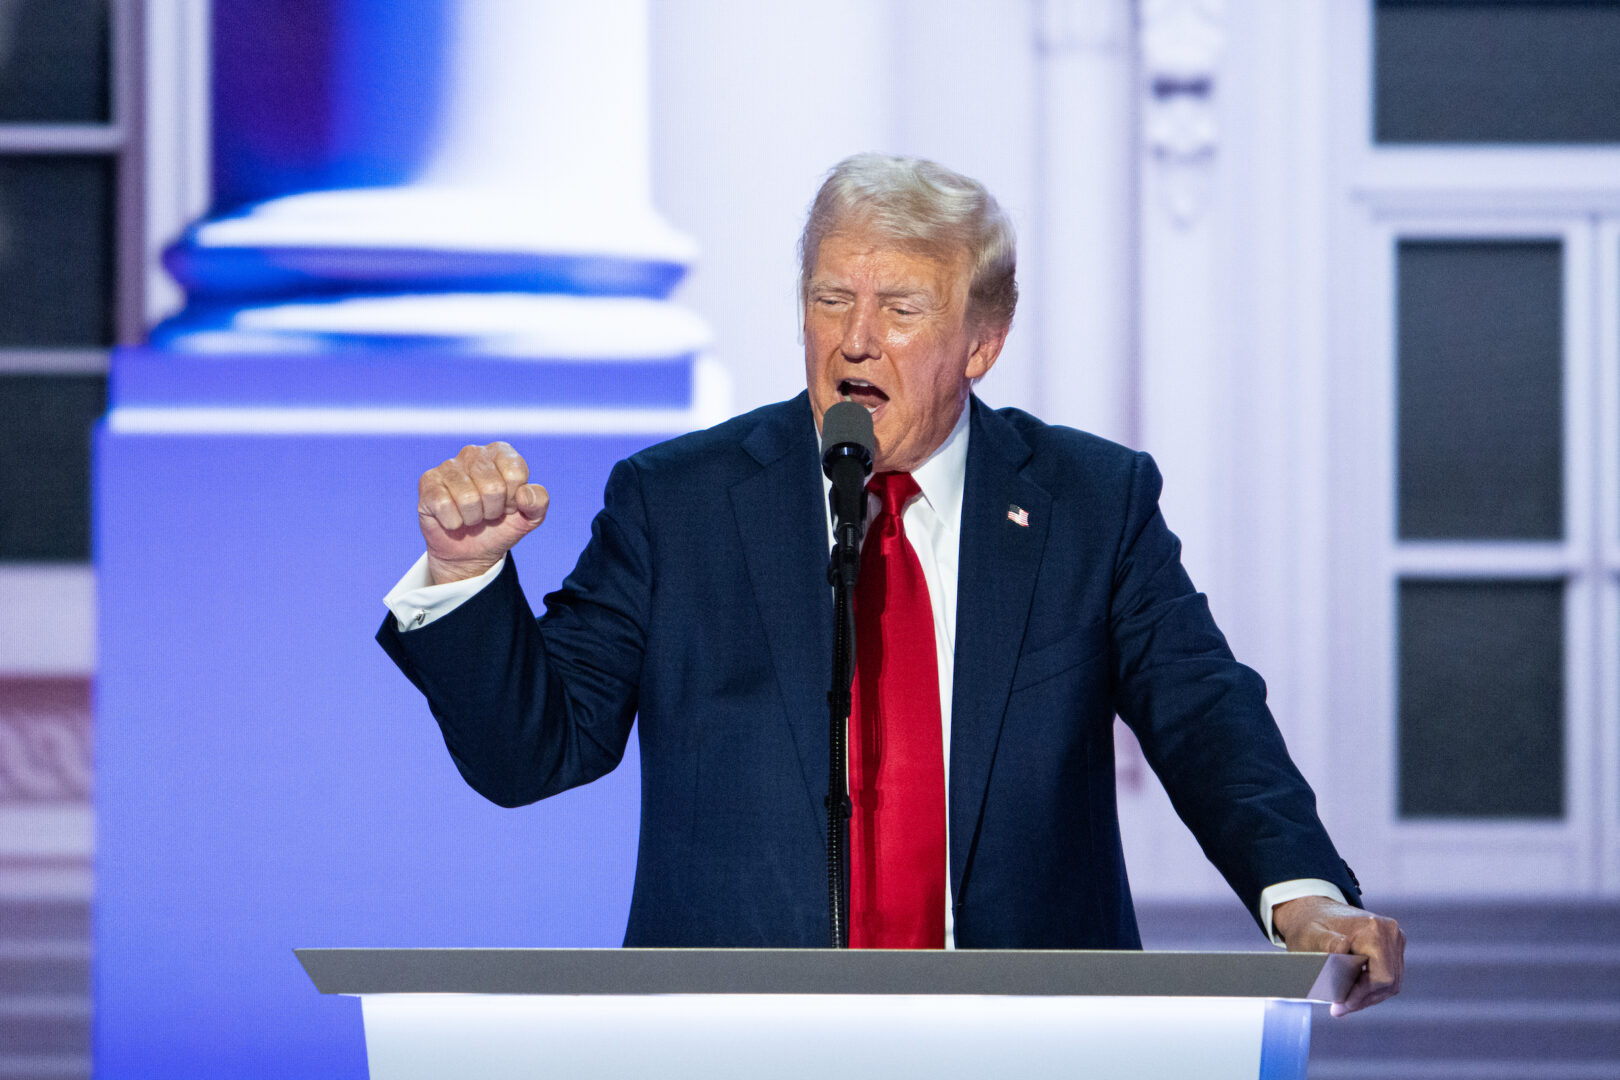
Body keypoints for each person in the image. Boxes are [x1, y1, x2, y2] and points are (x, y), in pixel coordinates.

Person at [378, 153, 1404, 1014]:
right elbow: (536, 752)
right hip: (738, 1046)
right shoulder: (678, 502)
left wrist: (1302, 895)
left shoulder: (1091, 503)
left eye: (899, 306)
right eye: (831, 298)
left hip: (1027, 1044)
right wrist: (467, 575)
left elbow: (1204, 715)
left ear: (982, 342)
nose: (854, 337)